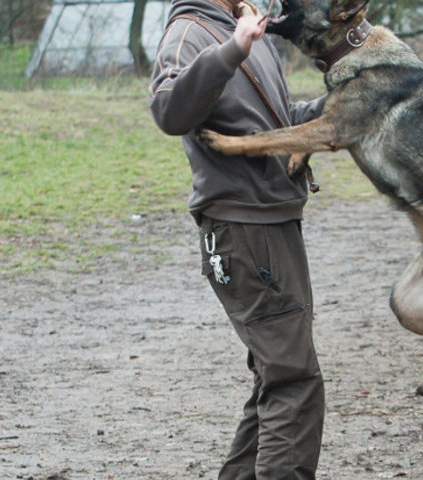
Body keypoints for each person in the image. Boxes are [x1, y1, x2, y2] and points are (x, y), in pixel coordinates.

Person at [148, 1, 326, 479]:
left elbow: (279, 119)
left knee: (277, 374)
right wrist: (231, 50)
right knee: (293, 382)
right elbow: (168, 110)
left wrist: (345, 105)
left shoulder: (241, 30)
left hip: (272, 222)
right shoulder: (191, 32)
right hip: (245, 229)